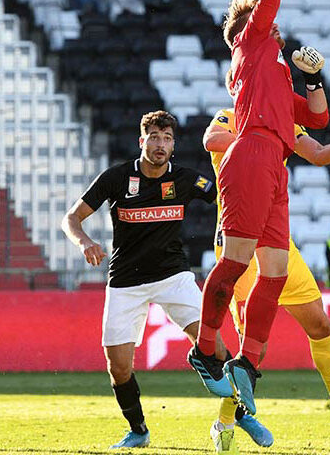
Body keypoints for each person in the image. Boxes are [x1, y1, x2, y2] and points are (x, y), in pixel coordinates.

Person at [61, 111, 269, 450]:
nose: (160, 145)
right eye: (154, 138)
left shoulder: (186, 179)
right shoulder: (116, 178)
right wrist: (85, 242)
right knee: (119, 368)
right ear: (141, 141)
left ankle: (240, 414)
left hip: (174, 276)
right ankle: (139, 430)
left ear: (174, 144)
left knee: (214, 345)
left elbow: (226, 197)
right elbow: (71, 218)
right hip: (125, 281)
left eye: (167, 139)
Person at [188, 0, 328, 418]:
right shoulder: (251, 44)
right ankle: (205, 348)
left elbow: (318, 116)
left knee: (275, 270)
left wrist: (314, 78)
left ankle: (248, 362)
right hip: (249, 153)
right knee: (239, 262)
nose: (273, 22)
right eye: (263, 18)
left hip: (276, 165)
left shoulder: (274, 65)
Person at [203, 103, 330, 453]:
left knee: (320, 325)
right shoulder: (230, 116)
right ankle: (224, 423)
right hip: (240, 246)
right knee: (254, 349)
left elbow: (318, 154)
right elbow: (212, 140)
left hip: (279, 242)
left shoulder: (285, 121)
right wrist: (265, 139)